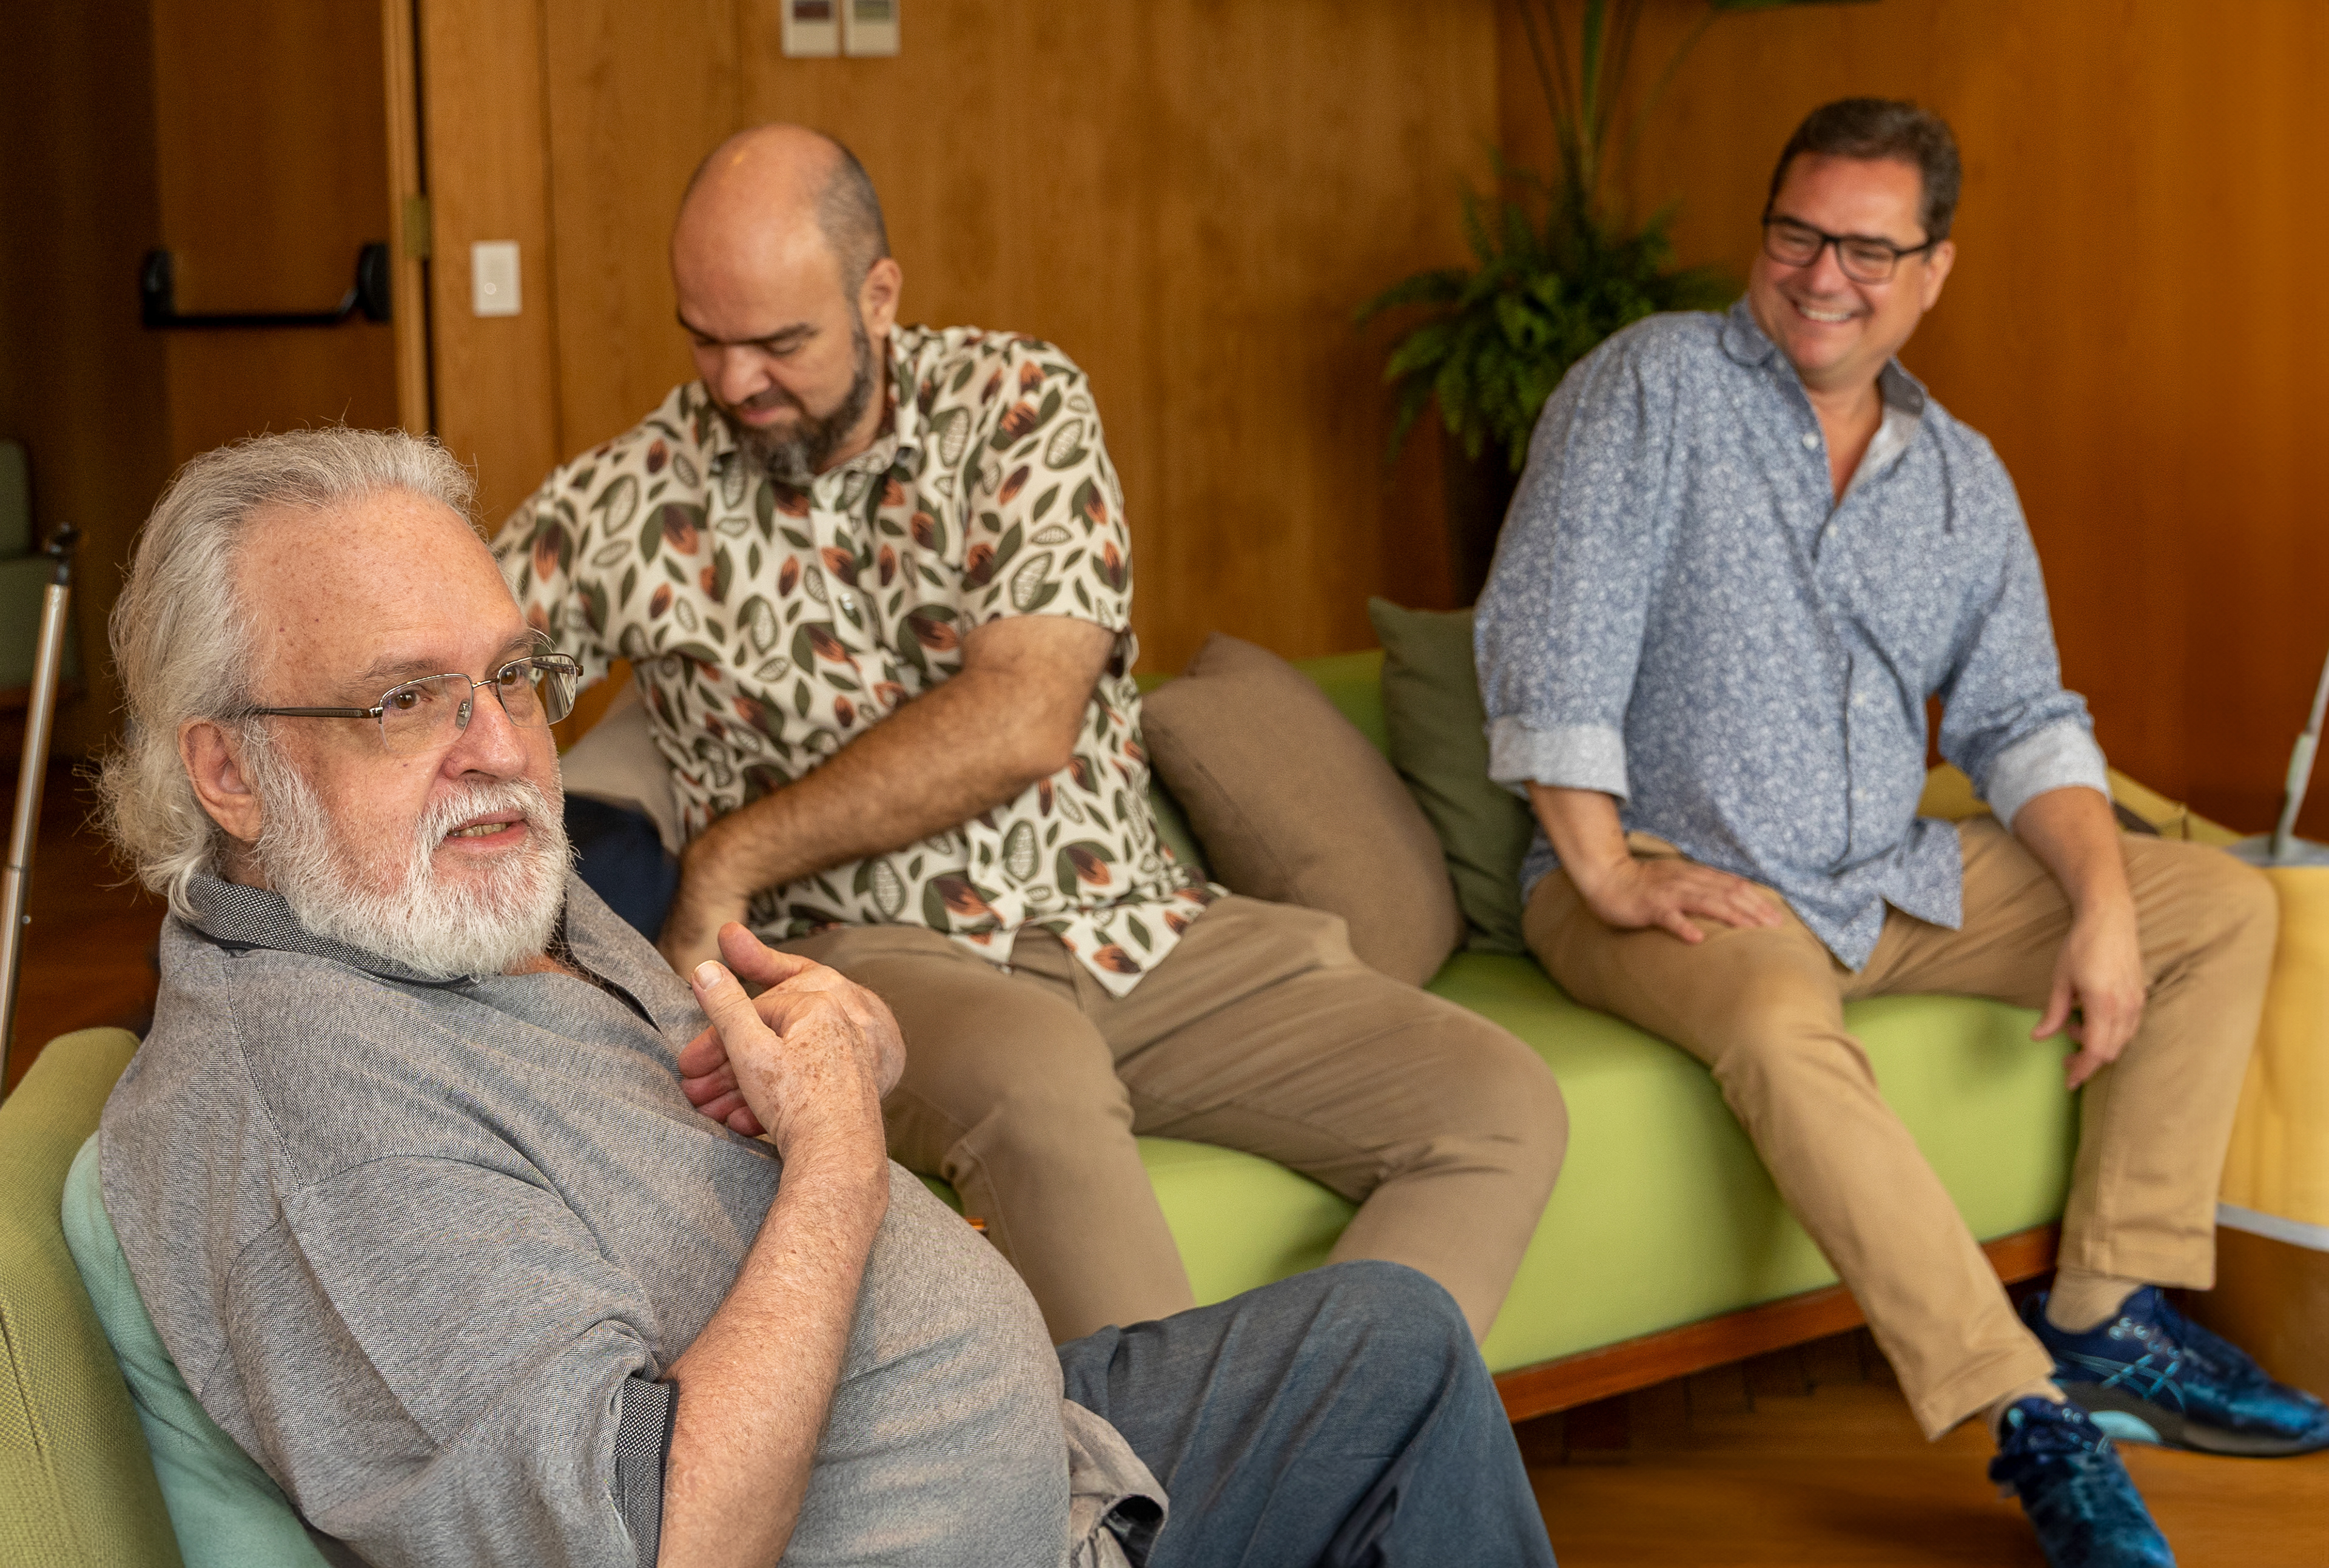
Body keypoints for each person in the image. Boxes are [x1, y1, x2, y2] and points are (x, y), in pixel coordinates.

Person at [92, 428, 1559, 1568]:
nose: (500, 748)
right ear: (227, 770)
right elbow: (665, 1541)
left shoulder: (442, 901)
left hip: (1023, 1459)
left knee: (1394, 1340)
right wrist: (845, 1156)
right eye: (403, 700)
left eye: (515, 675)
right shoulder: (314, 1103)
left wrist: (847, 1049)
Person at [496, 124, 1568, 1345]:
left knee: (1498, 1100)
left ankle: (1310, 1433)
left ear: (879, 295)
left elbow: (1025, 716)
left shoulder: (1018, 405)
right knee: (1039, 1070)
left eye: (781, 343)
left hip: (1135, 927)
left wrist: (734, 852)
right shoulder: (630, 500)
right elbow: (455, 672)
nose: (737, 382)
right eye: (705, 338)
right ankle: (1198, 1462)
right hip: (863, 954)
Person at [1475, 97, 2328, 1567]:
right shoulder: (1652, 386)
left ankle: (2107, 1315)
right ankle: (2026, 1414)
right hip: (1678, 880)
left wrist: (2104, 906)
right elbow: (1553, 634)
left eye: (1869, 249)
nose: (1824, 276)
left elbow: (2023, 718)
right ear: (1764, 234)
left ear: (1933, 270)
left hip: (1881, 875)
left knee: (2215, 907)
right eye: (1797, 234)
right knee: (1776, 1022)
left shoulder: (1958, 475)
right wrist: (1606, 868)